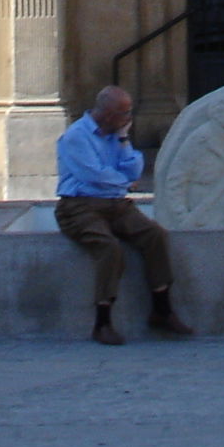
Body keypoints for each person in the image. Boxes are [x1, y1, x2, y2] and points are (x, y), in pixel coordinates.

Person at [53, 86, 192, 347]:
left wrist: (124, 139)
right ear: (107, 114)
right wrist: (124, 184)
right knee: (108, 248)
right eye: (124, 113)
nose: (128, 117)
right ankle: (102, 322)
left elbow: (134, 168)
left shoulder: (115, 135)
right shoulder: (76, 137)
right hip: (79, 207)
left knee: (155, 235)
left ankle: (162, 309)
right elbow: (93, 174)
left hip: (115, 204)